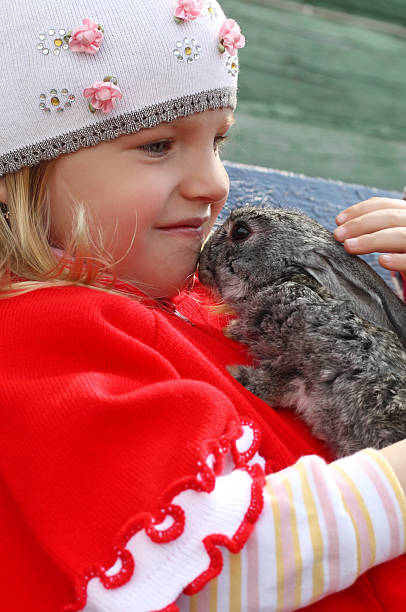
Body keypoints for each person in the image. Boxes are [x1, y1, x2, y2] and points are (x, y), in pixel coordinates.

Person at [0, 1, 405, 611]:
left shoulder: (204, 313)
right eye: (159, 144)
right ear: (19, 179)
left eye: (218, 141)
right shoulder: (40, 337)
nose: (215, 182)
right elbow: (210, 566)